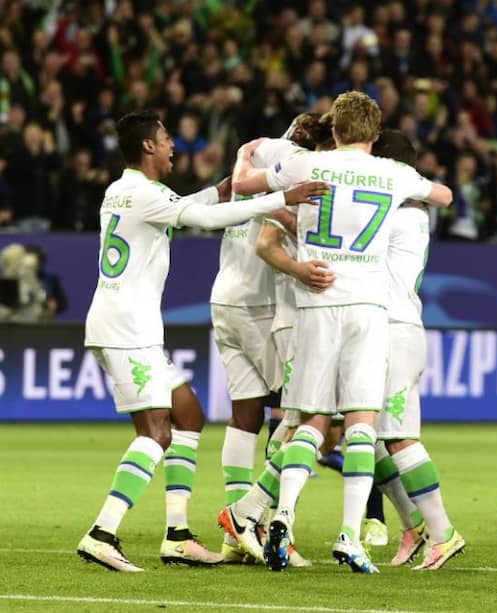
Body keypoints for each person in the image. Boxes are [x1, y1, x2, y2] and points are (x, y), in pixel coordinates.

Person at [76, 109, 328, 572]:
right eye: (166, 138)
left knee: (188, 414)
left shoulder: (123, 191)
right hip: (126, 330)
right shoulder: (146, 194)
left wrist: (222, 188)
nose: (172, 145)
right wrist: (281, 197)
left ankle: (177, 536)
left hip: (129, 326)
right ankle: (102, 532)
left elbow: (188, 205)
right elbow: (206, 219)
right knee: (156, 433)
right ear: (148, 146)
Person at [229, 91, 452, 573]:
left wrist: (246, 156)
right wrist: (404, 185)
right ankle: (351, 534)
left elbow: (244, 184)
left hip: (314, 304)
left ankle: (281, 515)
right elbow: (444, 196)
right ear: (374, 134)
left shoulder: (308, 164)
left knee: (309, 420)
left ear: (334, 130)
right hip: (367, 309)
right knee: (361, 424)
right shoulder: (392, 173)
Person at [210, 112, 318, 565]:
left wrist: (240, 158)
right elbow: (286, 219)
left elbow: (231, 195)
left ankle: (238, 536)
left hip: (224, 297)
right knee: (295, 414)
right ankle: (263, 524)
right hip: (260, 305)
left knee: (245, 415)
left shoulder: (252, 159)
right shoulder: (297, 166)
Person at [370, 129, 464, 570]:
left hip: (394, 329)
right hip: (391, 325)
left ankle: (442, 533)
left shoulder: (398, 215)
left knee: (398, 437)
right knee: (367, 434)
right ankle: (414, 525)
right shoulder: (410, 209)